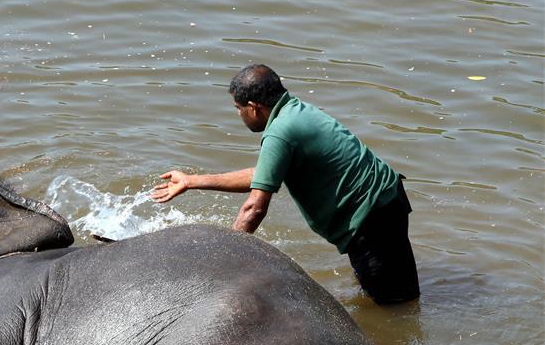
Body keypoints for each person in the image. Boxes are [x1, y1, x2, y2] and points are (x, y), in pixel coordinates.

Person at [151, 64, 420, 304]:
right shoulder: (293, 112)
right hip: (385, 200)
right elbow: (264, 174)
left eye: (238, 109)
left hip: (370, 218)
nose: (239, 115)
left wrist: (225, 261)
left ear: (254, 107)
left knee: (395, 307)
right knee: (391, 290)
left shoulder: (280, 132)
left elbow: (254, 208)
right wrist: (191, 181)